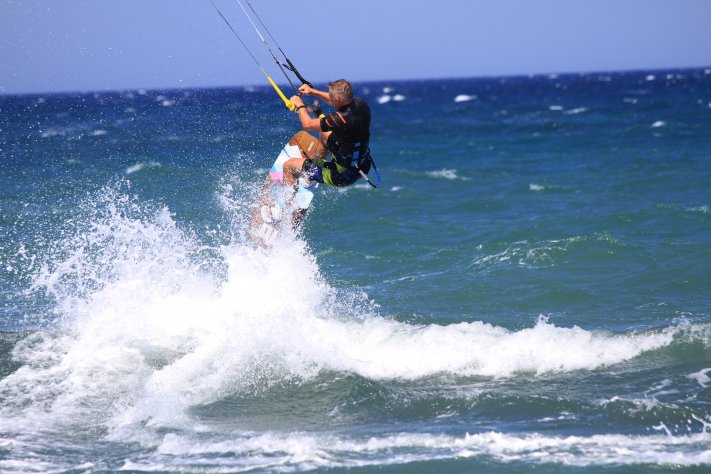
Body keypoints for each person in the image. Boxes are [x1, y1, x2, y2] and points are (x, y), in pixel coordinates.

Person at [284, 79, 372, 188]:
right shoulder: (361, 104)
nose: (330, 99)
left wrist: (299, 104)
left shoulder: (340, 118)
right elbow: (335, 99)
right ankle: (315, 167)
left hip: (341, 176)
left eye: (332, 97)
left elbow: (307, 124)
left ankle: (290, 203)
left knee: (288, 165)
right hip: (361, 165)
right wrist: (312, 91)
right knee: (325, 133)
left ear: (338, 100)